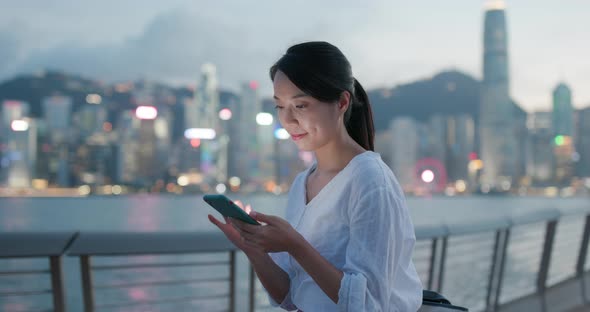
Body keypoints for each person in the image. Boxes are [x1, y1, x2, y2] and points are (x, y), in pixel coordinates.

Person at [208, 41, 423, 311]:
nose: (287, 120)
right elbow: (290, 297)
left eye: (301, 105)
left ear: (342, 102)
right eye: (279, 107)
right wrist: (254, 249)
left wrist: (295, 245)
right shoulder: (303, 182)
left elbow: (369, 304)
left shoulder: (370, 180)